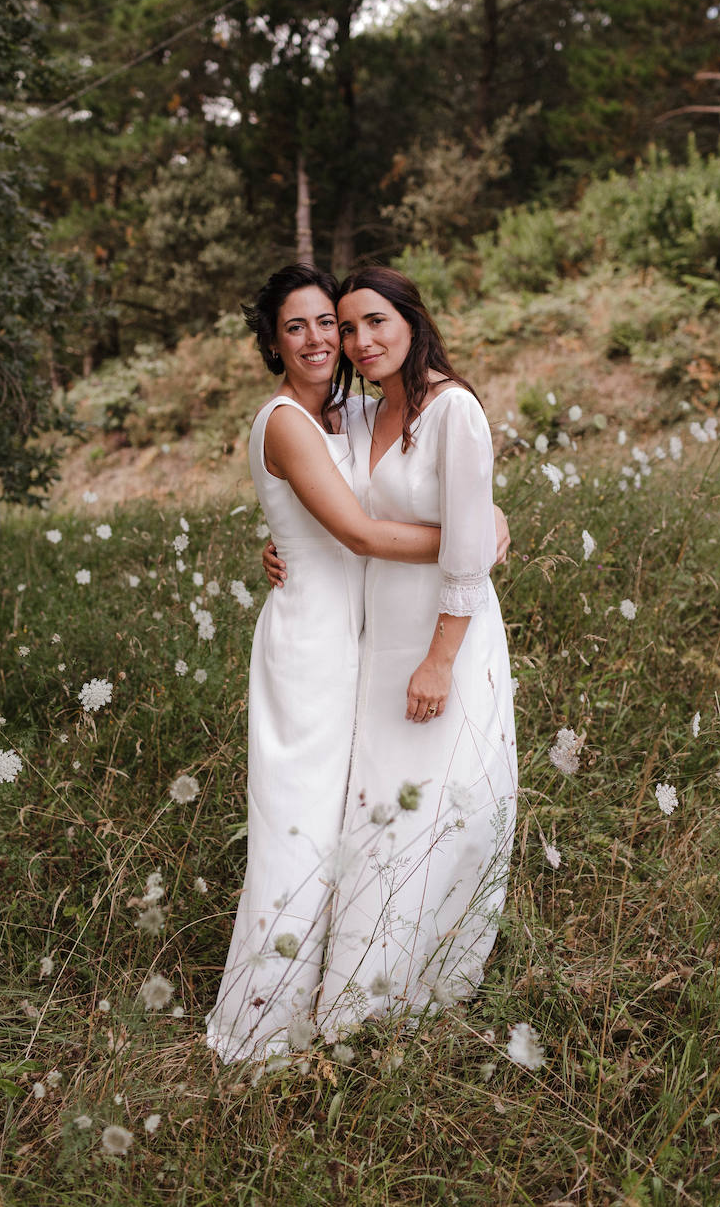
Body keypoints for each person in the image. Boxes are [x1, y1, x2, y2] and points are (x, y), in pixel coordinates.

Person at [206, 264, 475, 1063]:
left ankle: (341, 996)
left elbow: (409, 477)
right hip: (311, 643)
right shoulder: (287, 420)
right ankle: (259, 1028)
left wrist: (483, 506)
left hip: (361, 635)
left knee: (346, 823)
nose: (325, 339)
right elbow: (359, 534)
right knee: (297, 828)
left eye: (331, 322)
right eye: (299, 327)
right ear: (273, 341)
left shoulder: (354, 412)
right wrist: (466, 539)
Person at [310, 266, 518, 1038]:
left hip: (443, 636)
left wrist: (438, 660)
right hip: (375, 634)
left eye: (375, 323)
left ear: (410, 319)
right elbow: (333, 501)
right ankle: (362, 983)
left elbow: (468, 552)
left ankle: (427, 984)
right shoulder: (362, 418)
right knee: (379, 803)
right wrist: (283, 548)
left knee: (439, 803)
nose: (360, 342)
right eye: (347, 328)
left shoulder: (452, 409)